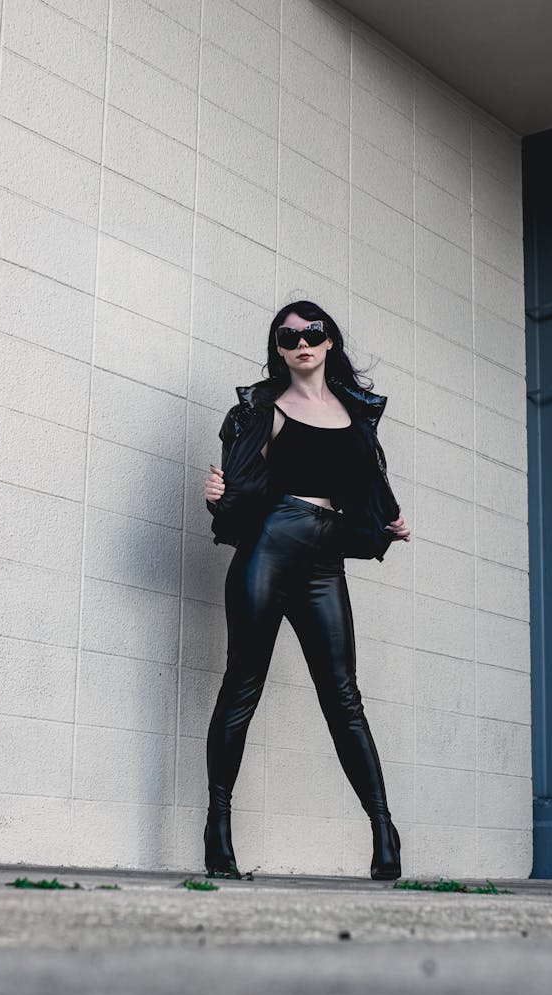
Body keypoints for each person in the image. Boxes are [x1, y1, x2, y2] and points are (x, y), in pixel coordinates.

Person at [203, 300, 411, 880]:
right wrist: (219, 494)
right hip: (269, 550)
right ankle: (218, 825)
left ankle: (382, 828)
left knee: (343, 699)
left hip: (323, 560)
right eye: (287, 335)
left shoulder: (354, 412)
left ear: (329, 342)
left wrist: (386, 521)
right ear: (277, 348)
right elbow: (238, 483)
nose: (301, 342)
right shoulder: (263, 410)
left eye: (312, 332)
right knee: (242, 687)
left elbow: (367, 487)